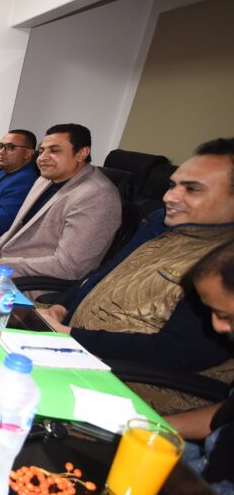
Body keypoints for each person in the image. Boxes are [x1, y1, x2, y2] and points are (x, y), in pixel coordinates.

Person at [37, 138, 234, 377]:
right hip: (71, 338)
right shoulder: (159, 224)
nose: (169, 197)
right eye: (172, 185)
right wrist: (60, 308)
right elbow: (103, 272)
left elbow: (179, 352)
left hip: (134, 379)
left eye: (192, 189)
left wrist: (72, 336)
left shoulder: (223, 262)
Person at [0, 124, 121, 281]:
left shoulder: (96, 196)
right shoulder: (45, 179)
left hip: (28, 283)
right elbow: (18, 229)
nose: (42, 158)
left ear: (82, 153)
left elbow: (69, 266)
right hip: (3, 265)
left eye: (54, 150)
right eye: (41, 151)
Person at [165, 239, 234, 495]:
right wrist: (158, 428)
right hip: (201, 458)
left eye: (223, 315)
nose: (217, 326)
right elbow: (225, 414)